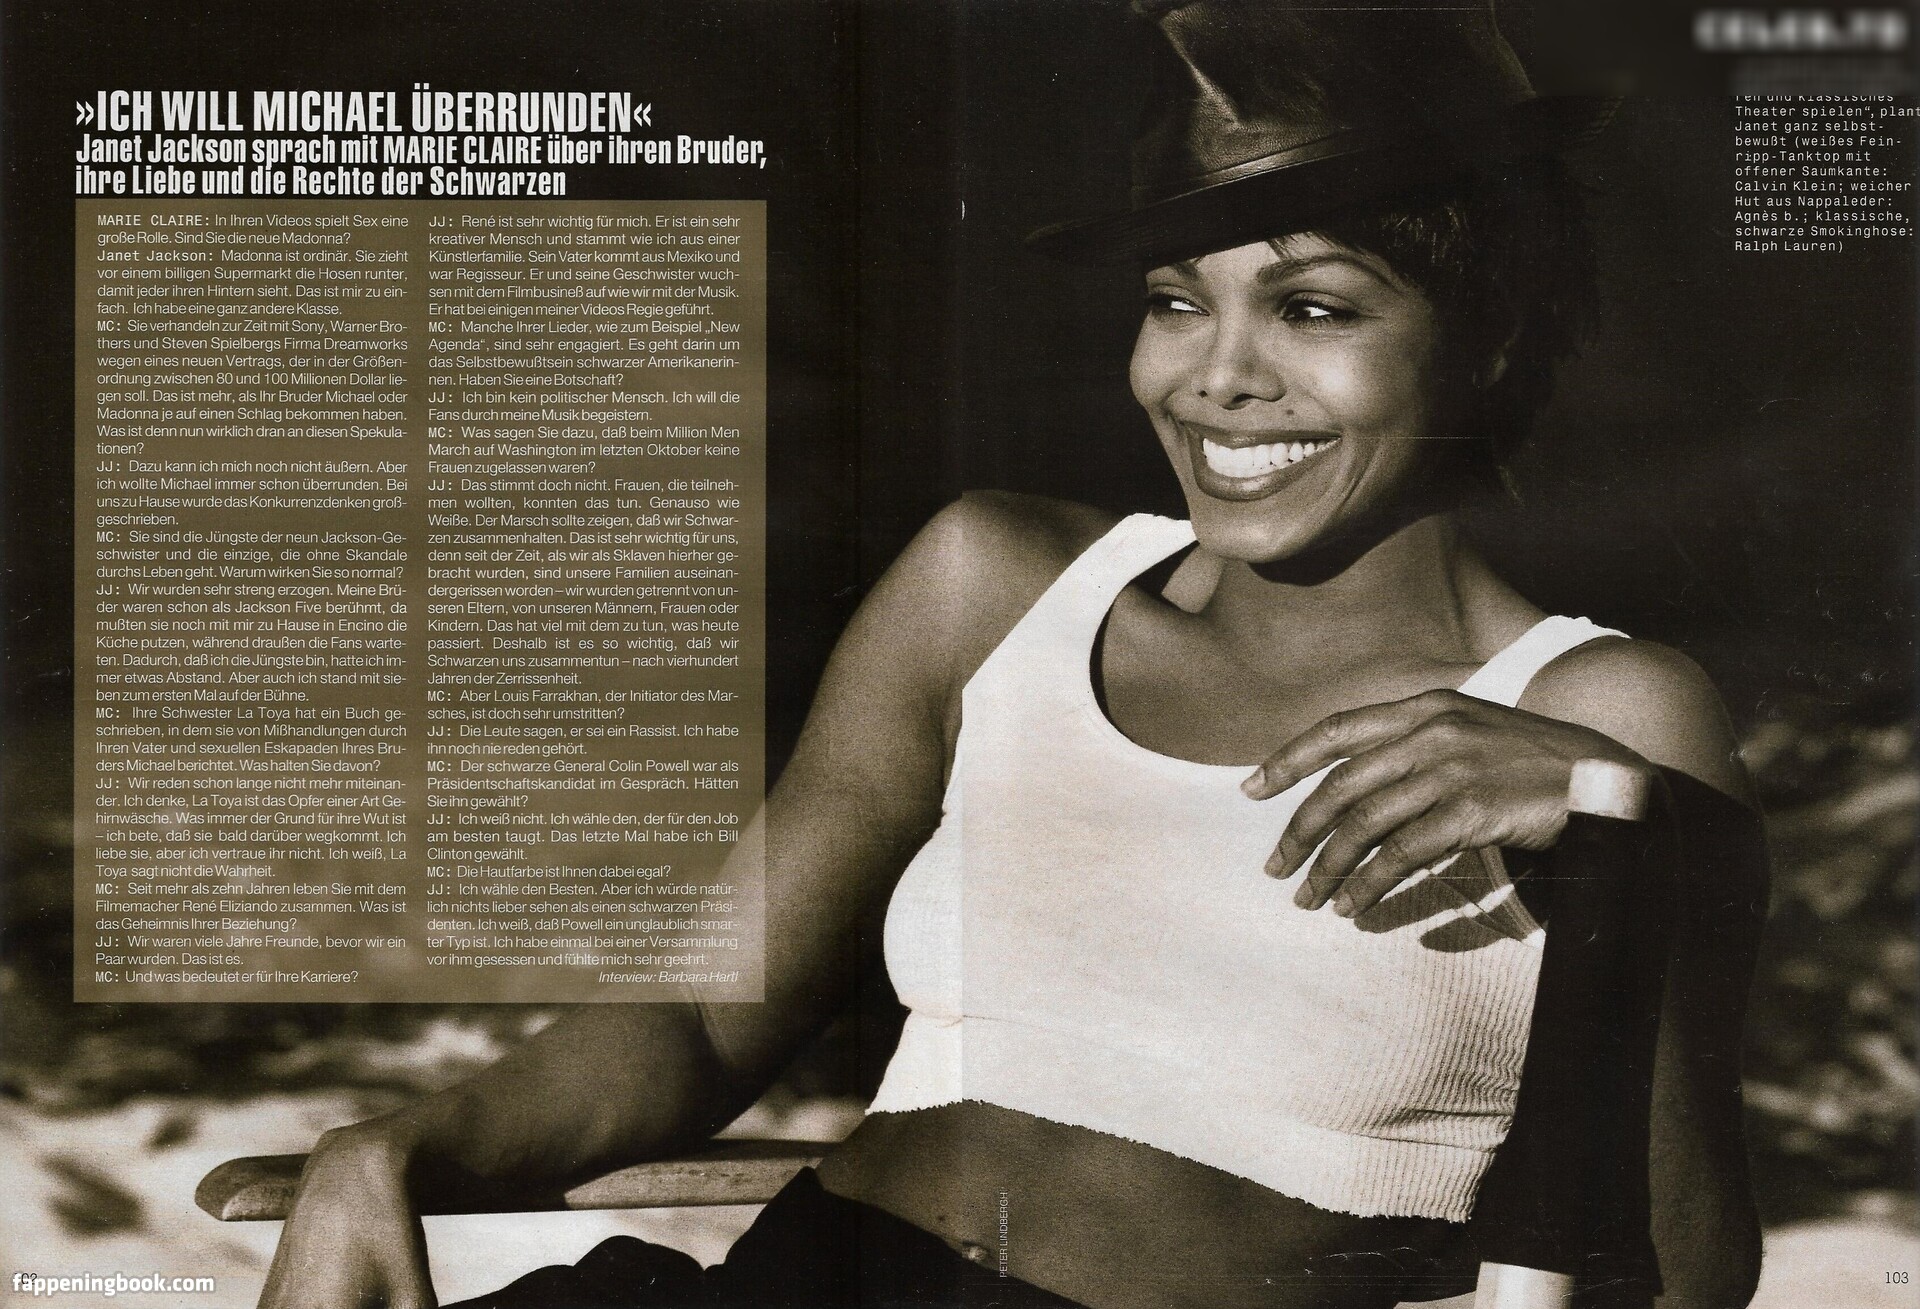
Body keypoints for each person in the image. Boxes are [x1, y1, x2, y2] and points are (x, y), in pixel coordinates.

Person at [258, 3, 1770, 1307]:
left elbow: (1683, 1275)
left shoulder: (1598, 713)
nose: (1218, 377)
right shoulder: (993, 583)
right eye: (1175, 302)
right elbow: (703, 1014)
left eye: (1312, 308)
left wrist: (1623, 861)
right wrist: (387, 1150)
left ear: (1488, 332)